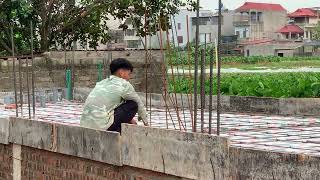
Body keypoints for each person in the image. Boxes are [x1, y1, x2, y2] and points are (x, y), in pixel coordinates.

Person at [80, 58, 148, 132]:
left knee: (121, 103)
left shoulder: (102, 83)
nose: (129, 78)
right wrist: (147, 125)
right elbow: (139, 104)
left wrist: (130, 119)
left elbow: (112, 105)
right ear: (121, 73)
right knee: (133, 105)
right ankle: (117, 132)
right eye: (129, 74)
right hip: (101, 126)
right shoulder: (124, 84)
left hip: (85, 124)